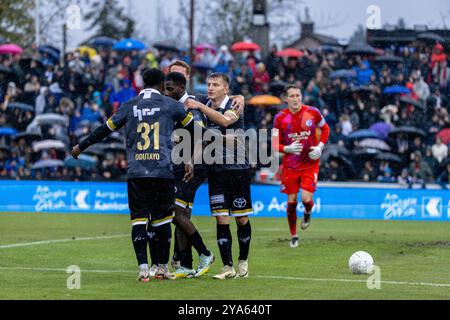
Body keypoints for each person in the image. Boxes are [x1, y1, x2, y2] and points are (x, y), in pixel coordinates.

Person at [71, 68, 214, 282]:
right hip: (162, 171)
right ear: (161, 85)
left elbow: (104, 130)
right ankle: (163, 269)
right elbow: (198, 131)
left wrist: (81, 146)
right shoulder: (171, 106)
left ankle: (143, 270)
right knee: (163, 221)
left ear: (142, 83)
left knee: (139, 220)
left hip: (137, 171)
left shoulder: (129, 106)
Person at [185, 73, 253, 280]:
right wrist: (191, 160)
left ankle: (243, 259)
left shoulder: (234, 106)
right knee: (221, 218)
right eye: (208, 84)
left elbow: (225, 123)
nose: (210, 88)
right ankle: (227, 267)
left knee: (241, 219)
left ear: (226, 89)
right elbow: (202, 138)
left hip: (237, 169)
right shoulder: (204, 105)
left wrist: (201, 109)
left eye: (216, 85)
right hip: (215, 169)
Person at [162, 71, 208, 278]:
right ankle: (186, 264)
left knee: (175, 211)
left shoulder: (189, 105)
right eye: (165, 88)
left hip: (194, 166)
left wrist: (191, 159)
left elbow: (201, 135)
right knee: (181, 215)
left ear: (181, 88)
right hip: (179, 166)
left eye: (170, 88)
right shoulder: (172, 105)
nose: (166, 92)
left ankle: (205, 254)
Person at [272, 85, 330, 248]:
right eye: (292, 96)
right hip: (290, 166)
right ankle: (294, 235)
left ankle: (307, 212)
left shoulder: (313, 112)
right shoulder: (280, 118)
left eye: (298, 95)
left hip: (310, 164)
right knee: (291, 202)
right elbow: (275, 143)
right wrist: (287, 148)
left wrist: (320, 147)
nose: (295, 99)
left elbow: (325, 129)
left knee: (305, 199)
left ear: (301, 97)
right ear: (286, 99)